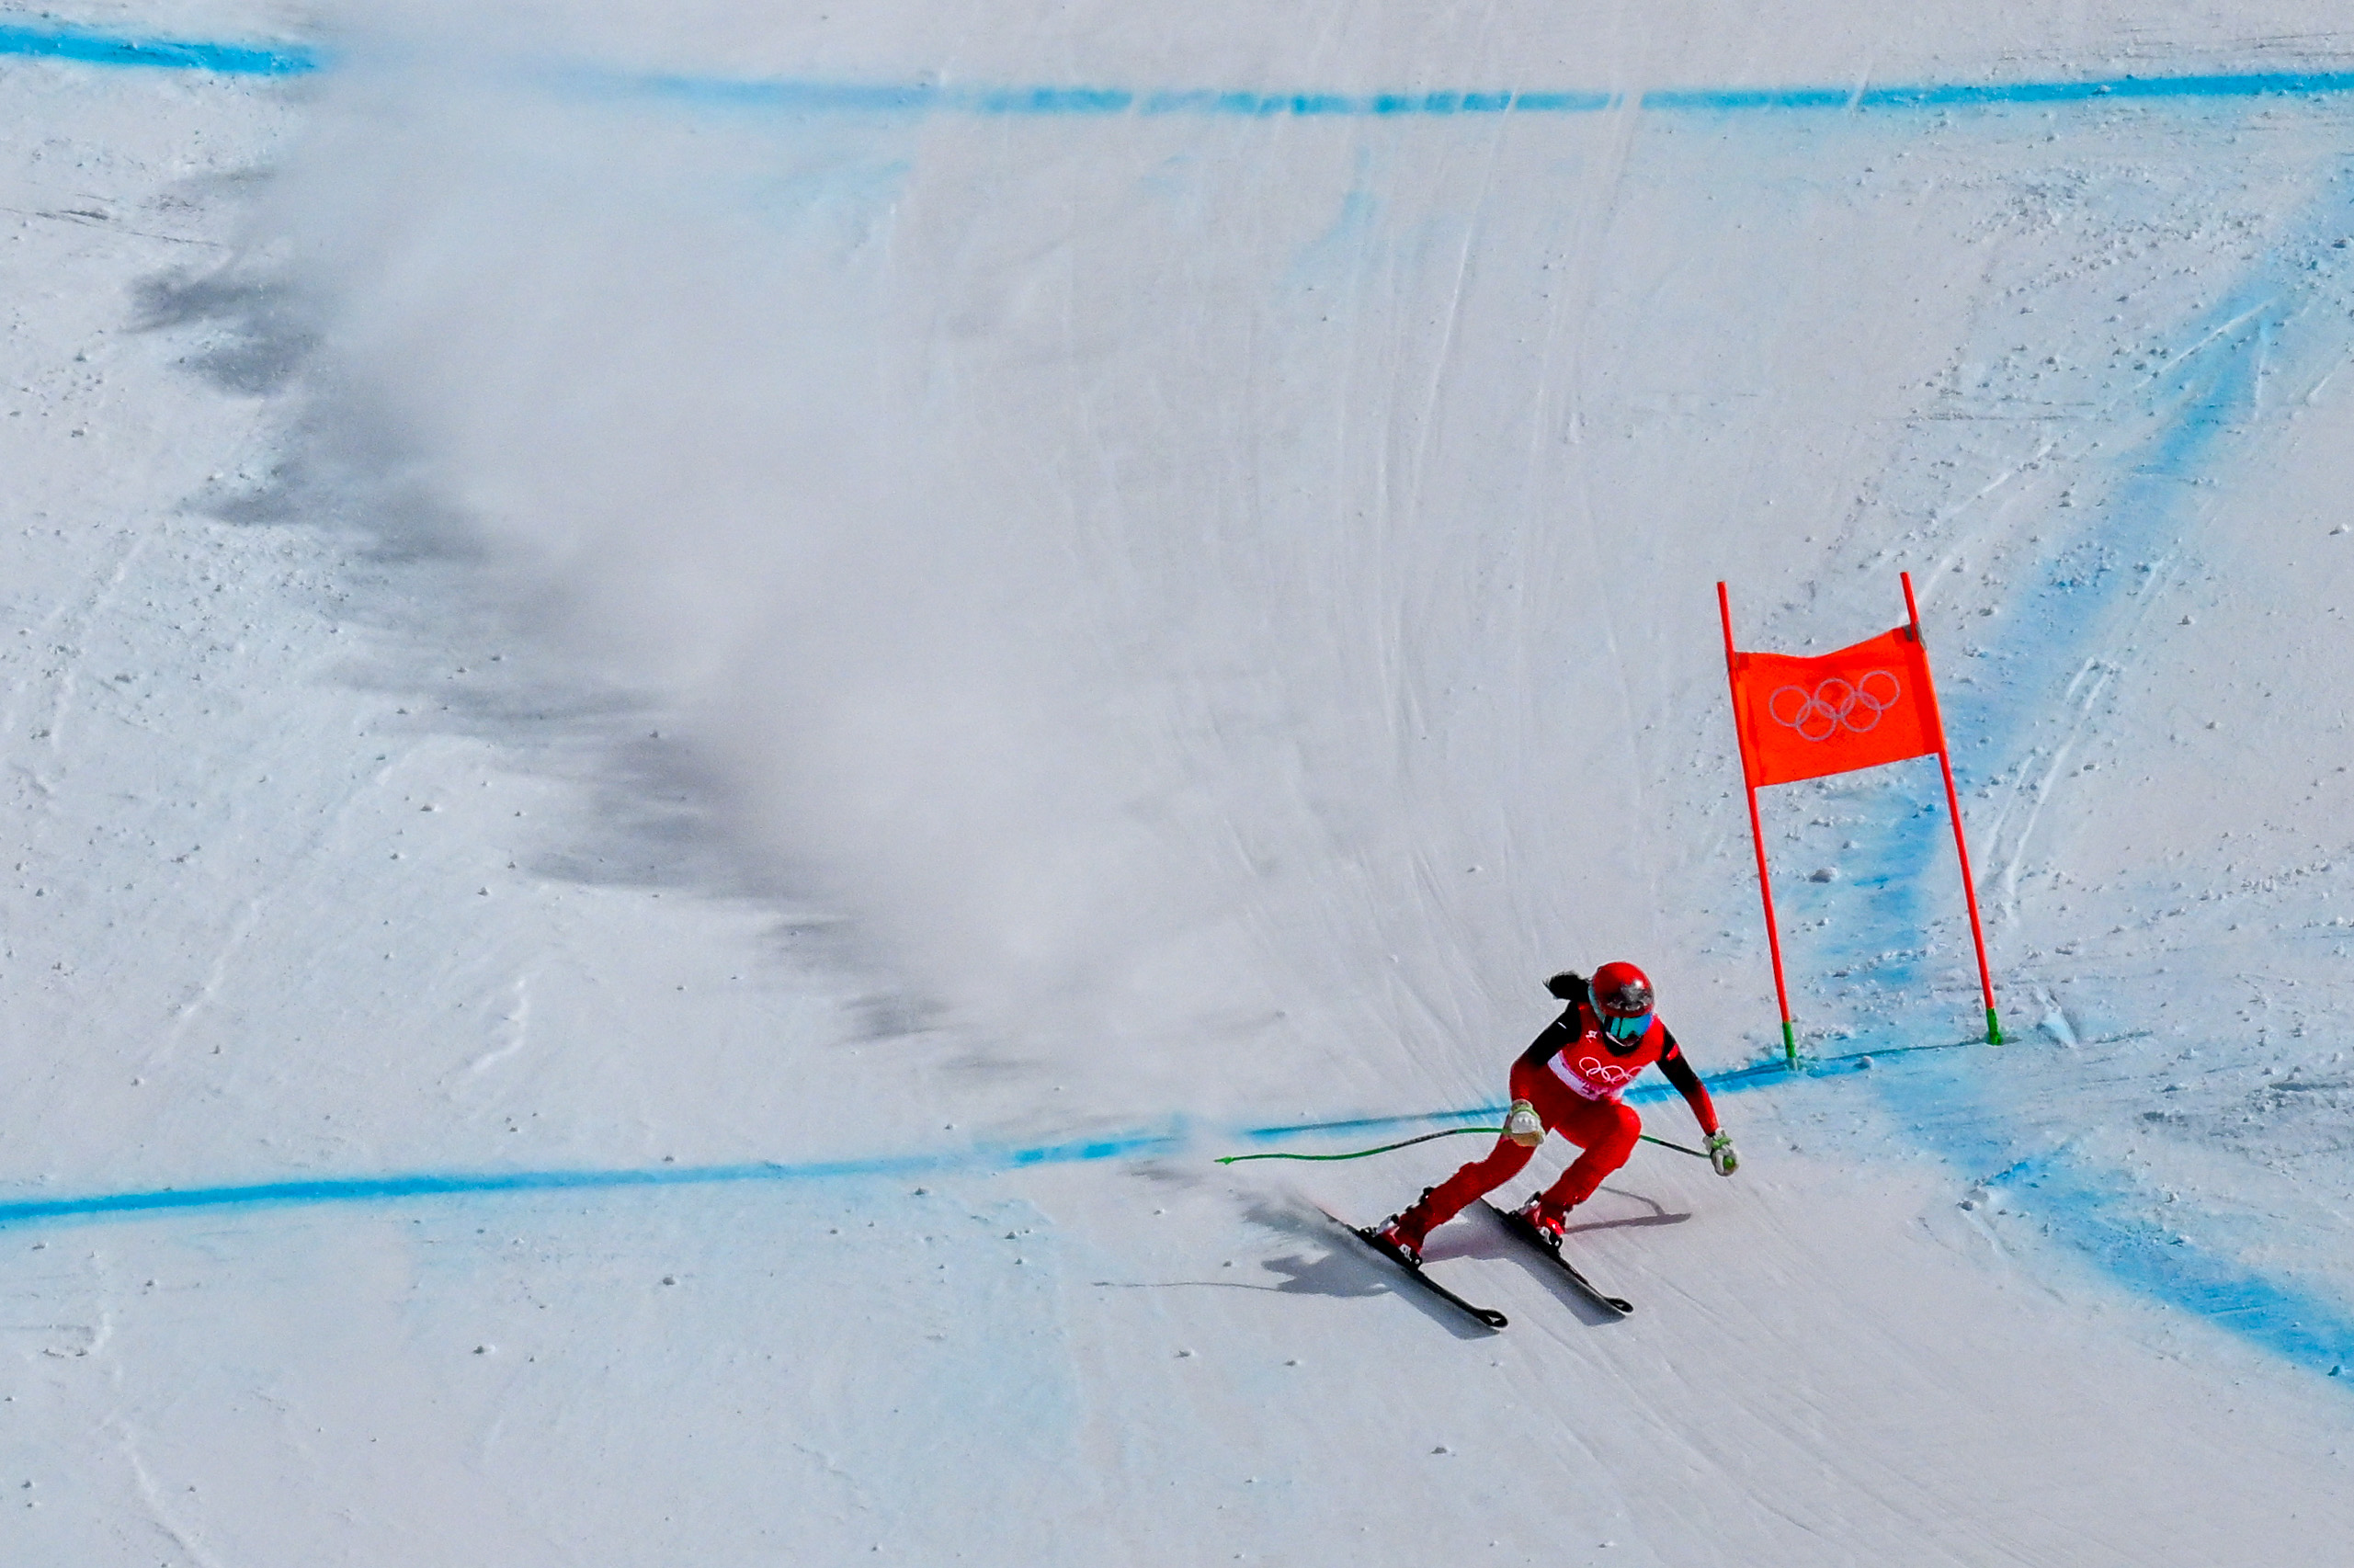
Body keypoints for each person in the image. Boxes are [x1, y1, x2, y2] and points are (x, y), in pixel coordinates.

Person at [1375, 962, 1736, 1265]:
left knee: (1627, 1126)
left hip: (1591, 1112)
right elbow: (1525, 1065)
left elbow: (1690, 1085)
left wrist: (1714, 1135)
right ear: (1598, 1011)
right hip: (1548, 1099)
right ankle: (1409, 1227)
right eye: (1621, 1026)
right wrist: (1522, 1106)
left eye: (1639, 1025)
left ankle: (1549, 1209)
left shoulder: (1657, 1038)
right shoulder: (1578, 1019)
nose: (1630, 1037)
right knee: (1502, 1167)